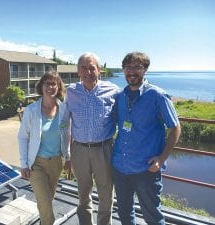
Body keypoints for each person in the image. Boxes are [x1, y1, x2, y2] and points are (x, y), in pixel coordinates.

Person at [111, 52, 181, 225]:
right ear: (123, 70)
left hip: (146, 169)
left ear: (145, 70)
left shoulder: (157, 96)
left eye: (137, 67)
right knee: (125, 213)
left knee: (152, 216)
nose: (132, 72)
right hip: (120, 167)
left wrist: (162, 158)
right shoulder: (120, 96)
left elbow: (175, 128)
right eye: (128, 68)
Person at [63, 52, 120, 225]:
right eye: (84, 68)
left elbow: (125, 116)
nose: (88, 72)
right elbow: (64, 124)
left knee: (105, 194)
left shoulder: (113, 91)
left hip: (104, 149)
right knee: (83, 193)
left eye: (92, 68)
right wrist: (67, 154)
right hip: (79, 149)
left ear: (99, 70)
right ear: (78, 71)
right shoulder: (71, 92)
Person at [18, 71, 71, 225]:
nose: (50, 86)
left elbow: (67, 134)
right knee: (46, 203)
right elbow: (22, 137)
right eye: (47, 83)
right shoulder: (31, 110)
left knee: (47, 200)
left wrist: (68, 157)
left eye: (54, 83)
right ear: (41, 86)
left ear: (59, 87)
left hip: (56, 163)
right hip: (37, 164)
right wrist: (23, 163)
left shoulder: (64, 110)